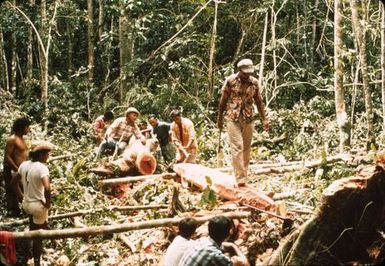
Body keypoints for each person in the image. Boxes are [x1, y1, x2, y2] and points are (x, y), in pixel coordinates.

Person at [217, 59, 269, 185]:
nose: (247, 75)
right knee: (237, 147)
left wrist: (264, 119)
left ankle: (243, 175)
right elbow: (223, 101)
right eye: (245, 73)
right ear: (239, 70)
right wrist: (219, 119)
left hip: (248, 118)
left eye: (249, 73)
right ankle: (240, 178)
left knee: (246, 148)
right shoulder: (231, 81)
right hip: (232, 118)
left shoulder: (254, 83)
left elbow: (259, 102)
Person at [12, 140, 54, 266]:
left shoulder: (24, 165)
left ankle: (29, 251)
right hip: (38, 206)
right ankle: (37, 261)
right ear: (41, 155)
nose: (48, 157)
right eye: (47, 154)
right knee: (38, 236)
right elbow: (47, 188)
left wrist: (21, 196)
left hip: (27, 204)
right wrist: (47, 204)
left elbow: (13, 183)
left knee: (33, 226)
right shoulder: (42, 168)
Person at [178, 216, 249, 266]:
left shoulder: (200, 241)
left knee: (227, 255)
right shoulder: (214, 255)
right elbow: (245, 263)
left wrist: (230, 245)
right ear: (229, 232)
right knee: (228, 256)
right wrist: (233, 246)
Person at [2, 117, 31, 217]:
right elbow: (7, 156)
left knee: (23, 189)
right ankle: (14, 213)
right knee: (12, 191)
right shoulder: (12, 139)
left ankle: (24, 210)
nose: (29, 129)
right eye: (27, 127)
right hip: (14, 170)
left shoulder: (22, 139)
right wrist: (16, 168)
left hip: (22, 170)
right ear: (21, 128)